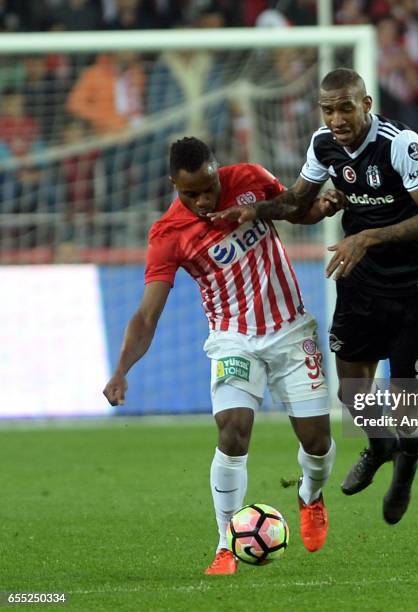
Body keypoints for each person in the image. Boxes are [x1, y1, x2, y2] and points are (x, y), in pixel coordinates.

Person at [209, 68, 418, 525]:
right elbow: (298, 202)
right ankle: (380, 448)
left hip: (415, 288)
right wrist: (255, 210)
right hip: (361, 282)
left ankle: (405, 471)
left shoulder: (400, 145)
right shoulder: (323, 144)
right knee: (353, 392)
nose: (337, 117)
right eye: (328, 108)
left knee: (406, 405)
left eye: (345, 107)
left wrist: (367, 238)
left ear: (366, 104)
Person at [102, 137, 338, 575]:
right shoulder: (168, 235)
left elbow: (292, 209)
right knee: (233, 432)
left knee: (318, 442)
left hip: (290, 329)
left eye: (209, 187)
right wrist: (121, 370)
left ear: (217, 170)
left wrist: (319, 210)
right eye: (190, 193)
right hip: (233, 338)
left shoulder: (249, 178)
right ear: (174, 184)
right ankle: (226, 543)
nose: (203, 199)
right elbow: (147, 314)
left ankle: (310, 494)